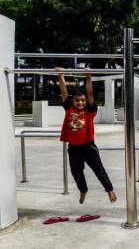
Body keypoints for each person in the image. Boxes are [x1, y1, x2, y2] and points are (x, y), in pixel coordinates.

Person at [56, 67, 117, 204]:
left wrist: (88, 76)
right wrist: (61, 75)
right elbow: (64, 91)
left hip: (88, 147)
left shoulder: (89, 110)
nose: (80, 103)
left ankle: (110, 190)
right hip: (73, 148)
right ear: (73, 101)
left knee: (99, 170)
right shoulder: (69, 108)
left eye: (82, 100)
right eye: (77, 100)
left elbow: (90, 93)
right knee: (76, 172)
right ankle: (83, 190)